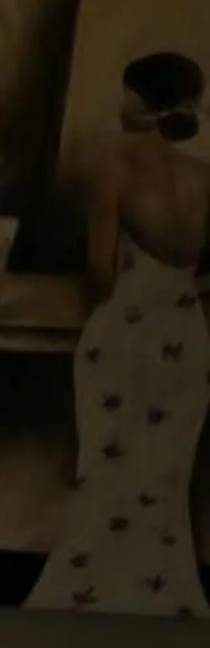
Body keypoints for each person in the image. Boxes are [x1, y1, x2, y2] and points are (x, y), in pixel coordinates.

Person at [26, 51, 210, 615]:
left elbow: (100, 271)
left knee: (106, 476)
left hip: (123, 335)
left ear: (142, 101)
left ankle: (82, 601)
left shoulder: (111, 160)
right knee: (163, 478)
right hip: (187, 337)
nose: (119, 103)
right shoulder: (204, 174)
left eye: (127, 93)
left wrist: (93, 305)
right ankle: (163, 602)